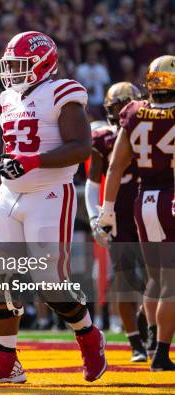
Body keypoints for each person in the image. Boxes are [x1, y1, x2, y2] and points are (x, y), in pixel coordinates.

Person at [0, 31, 106, 385]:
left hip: (49, 193)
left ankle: (88, 334)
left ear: (44, 64)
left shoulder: (63, 92)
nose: (13, 71)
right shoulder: (9, 96)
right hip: (9, 193)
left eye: (21, 64)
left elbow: (80, 147)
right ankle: (5, 360)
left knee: (50, 284)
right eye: (10, 64)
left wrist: (33, 160)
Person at [97, 55, 174, 371]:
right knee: (171, 280)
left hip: (143, 201)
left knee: (156, 278)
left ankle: (155, 341)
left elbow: (115, 167)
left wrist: (107, 211)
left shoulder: (132, 112)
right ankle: (161, 352)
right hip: (170, 196)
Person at [86, 82, 147, 362]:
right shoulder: (103, 138)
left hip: (147, 210)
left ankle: (146, 324)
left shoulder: (148, 129)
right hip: (120, 216)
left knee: (157, 277)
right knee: (124, 280)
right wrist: (94, 216)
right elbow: (92, 182)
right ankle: (135, 342)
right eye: (117, 107)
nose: (122, 112)